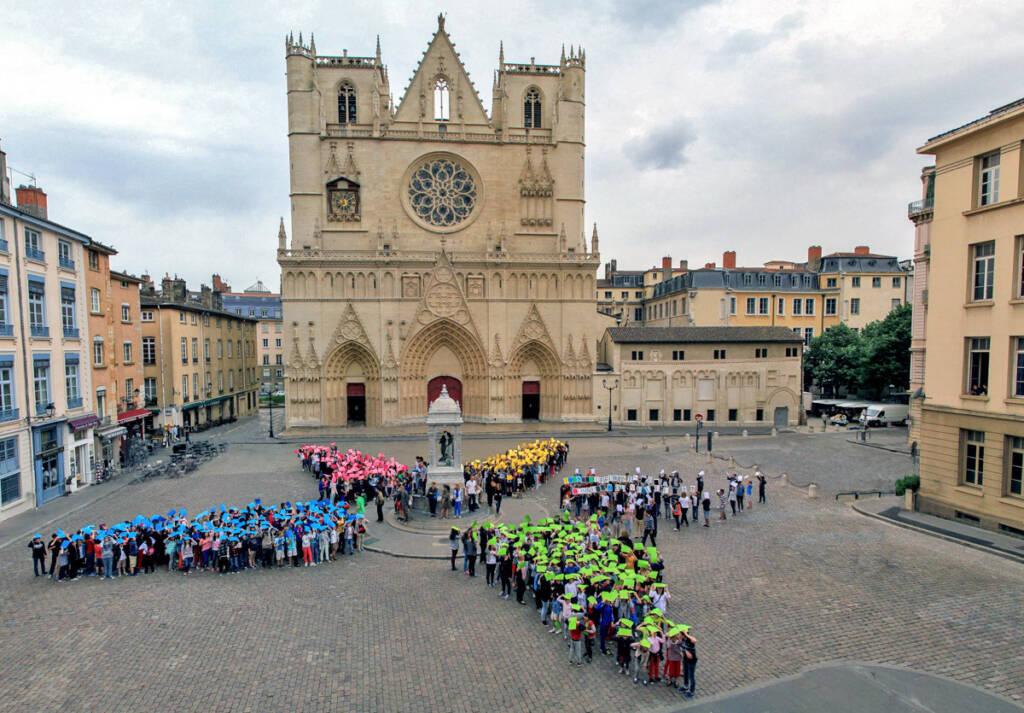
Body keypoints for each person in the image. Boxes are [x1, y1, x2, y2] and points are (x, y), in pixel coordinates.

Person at [679, 630, 698, 698]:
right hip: (685, 660)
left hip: (691, 661)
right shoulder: (681, 641)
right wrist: (684, 652)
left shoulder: (689, 640)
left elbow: (695, 640)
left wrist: (686, 634)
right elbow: (682, 648)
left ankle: (692, 691)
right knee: (685, 673)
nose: (678, 635)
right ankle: (685, 686)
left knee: (691, 676)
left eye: (680, 634)